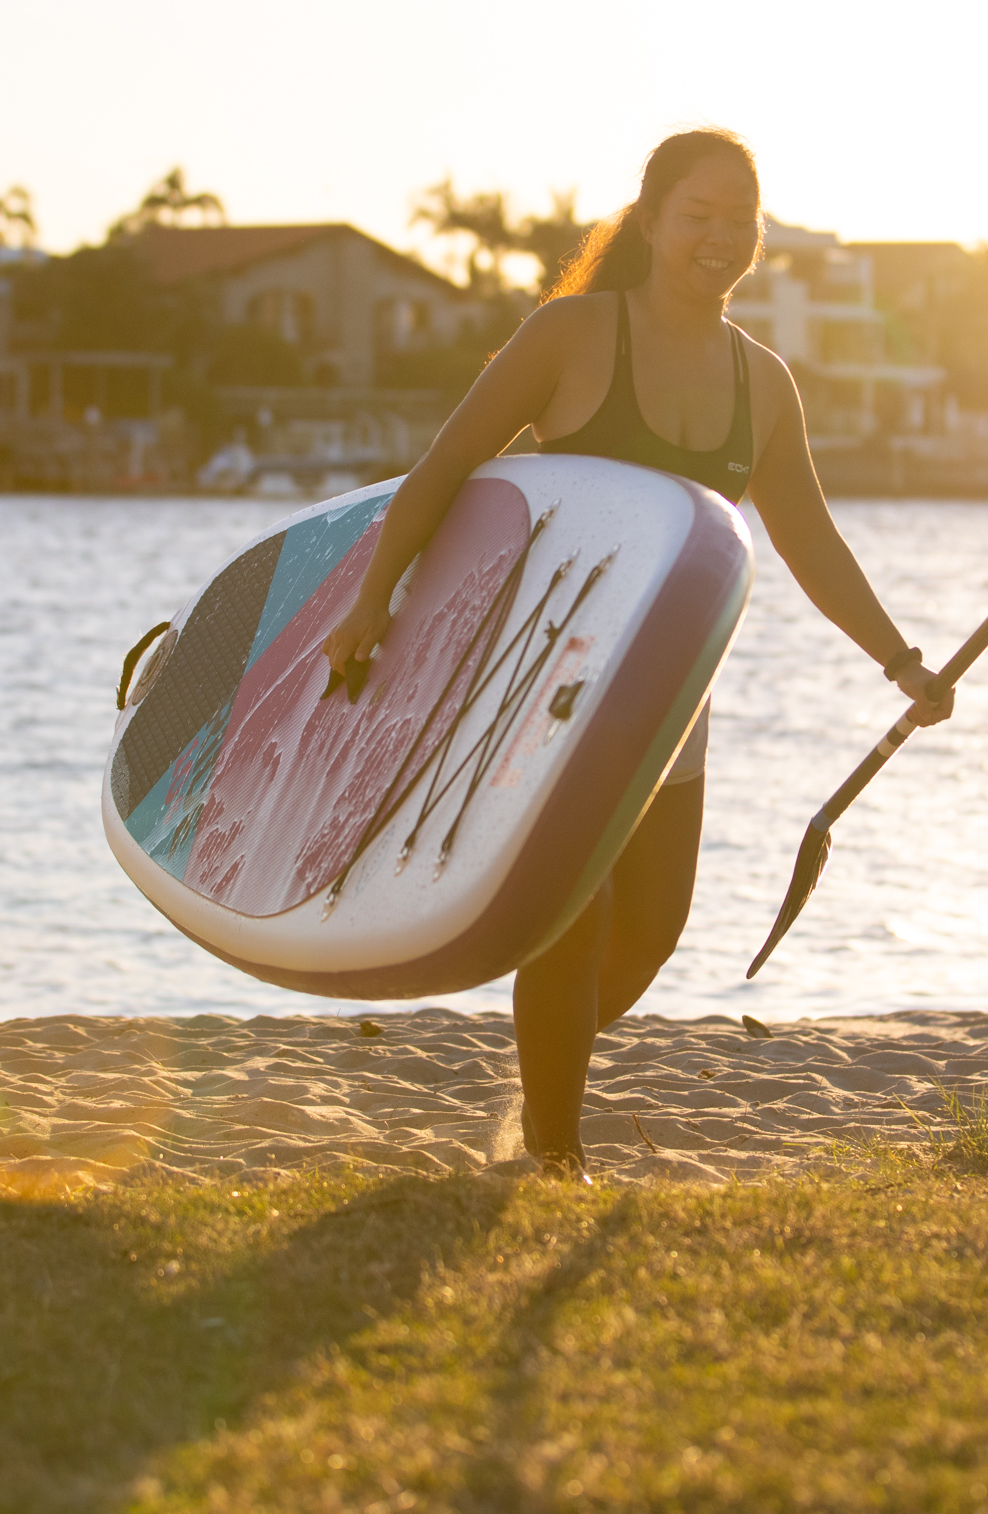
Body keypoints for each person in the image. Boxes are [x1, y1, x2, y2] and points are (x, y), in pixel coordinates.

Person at [320, 129, 954, 1178]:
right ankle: (555, 1147)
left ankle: (540, 1072)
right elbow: (447, 466)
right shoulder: (571, 336)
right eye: (697, 214)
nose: (719, 236)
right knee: (572, 916)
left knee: (654, 926)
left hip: (670, 685)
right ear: (652, 219)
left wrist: (901, 660)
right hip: (545, 672)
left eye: (738, 218)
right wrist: (369, 598)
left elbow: (810, 538)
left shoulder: (764, 382)